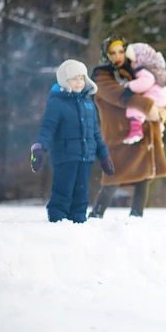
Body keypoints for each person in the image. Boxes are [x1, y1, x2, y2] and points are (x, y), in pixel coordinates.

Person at [88, 35, 166, 218]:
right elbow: (119, 96)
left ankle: (136, 217)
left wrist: (163, 112)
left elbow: (153, 94)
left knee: (143, 178)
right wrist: (150, 108)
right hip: (119, 134)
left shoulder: (133, 70)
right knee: (113, 177)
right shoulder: (102, 76)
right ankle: (96, 215)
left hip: (143, 135)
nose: (118, 56)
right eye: (113, 52)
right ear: (106, 55)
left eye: (121, 51)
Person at [30, 59, 115, 223]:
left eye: (82, 78)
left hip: (85, 157)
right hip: (65, 156)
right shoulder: (57, 103)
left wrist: (104, 156)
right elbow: (48, 128)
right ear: (64, 80)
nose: (79, 82)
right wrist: (39, 148)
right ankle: (58, 219)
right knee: (63, 190)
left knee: (81, 193)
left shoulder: (88, 104)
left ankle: (78, 220)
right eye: (74, 78)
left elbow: (95, 133)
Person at [121, 42, 166, 144]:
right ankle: (158, 136)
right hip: (160, 94)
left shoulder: (143, 71)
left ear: (138, 59)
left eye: (130, 60)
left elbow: (145, 82)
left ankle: (136, 130)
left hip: (155, 94)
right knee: (153, 118)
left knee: (136, 106)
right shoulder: (153, 69)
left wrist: (129, 86)